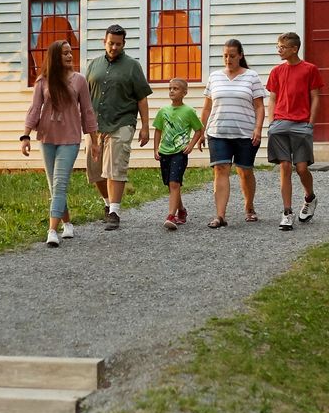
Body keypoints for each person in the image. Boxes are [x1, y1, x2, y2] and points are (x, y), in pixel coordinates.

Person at [22, 40, 97, 247]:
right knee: (54, 185)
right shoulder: (43, 81)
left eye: (70, 53)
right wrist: (26, 136)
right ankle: (68, 224)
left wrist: (95, 140)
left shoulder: (80, 80)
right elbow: (35, 108)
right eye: (64, 53)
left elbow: (88, 111)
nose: (69, 56)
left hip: (70, 138)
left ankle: (52, 230)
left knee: (60, 183)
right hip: (47, 138)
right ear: (55, 56)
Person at [85, 24, 152, 230]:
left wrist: (145, 126)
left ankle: (114, 211)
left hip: (122, 122)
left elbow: (141, 98)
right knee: (95, 170)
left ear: (124, 44)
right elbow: (84, 96)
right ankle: (107, 204)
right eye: (110, 43)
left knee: (115, 167)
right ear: (104, 41)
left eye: (118, 44)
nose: (114, 47)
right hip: (95, 125)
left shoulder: (132, 66)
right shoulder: (93, 65)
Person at [197, 39, 266, 228]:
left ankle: (249, 207)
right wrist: (200, 131)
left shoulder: (251, 77)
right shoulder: (215, 77)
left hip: (245, 133)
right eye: (225, 56)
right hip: (218, 132)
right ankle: (220, 215)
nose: (228, 59)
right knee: (220, 170)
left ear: (240, 56)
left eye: (232, 56)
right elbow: (206, 108)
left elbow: (259, 107)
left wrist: (258, 129)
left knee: (244, 171)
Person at [266, 32, 324, 231]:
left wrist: (310, 123)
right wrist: (271, 121)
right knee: (284, 166)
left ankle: (310, 197)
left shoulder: (310, 70)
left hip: (301, 125)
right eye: (278, 47)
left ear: (294, 49)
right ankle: (287, 212)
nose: (279, 50)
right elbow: (272, 98)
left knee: (301, 168)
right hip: (280, 124)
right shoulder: (276, 72)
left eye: (282, 47)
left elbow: (316, 97)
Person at [151, 77, 203, 231]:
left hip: (180, 152)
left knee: (175, 183)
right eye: (170, 88)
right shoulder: (163, 111)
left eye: (176, 88)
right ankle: (181, 210)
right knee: (170, 184)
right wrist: (155, 149)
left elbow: (199, 130)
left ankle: (170, 216)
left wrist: (191, 145)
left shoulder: (188, 111)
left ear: (184, 92)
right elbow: (158, 130)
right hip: (164, 151)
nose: (172, 91)